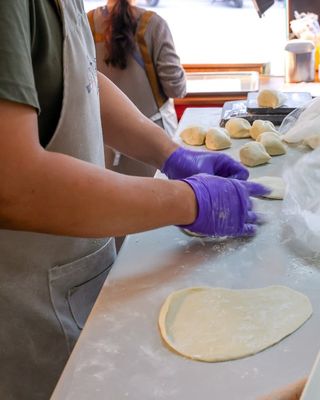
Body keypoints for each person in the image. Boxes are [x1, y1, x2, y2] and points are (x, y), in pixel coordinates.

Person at [0, 1, 266, 399]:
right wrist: (186, 200)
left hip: (76, 283)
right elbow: (14, 184)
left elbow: (81, 78)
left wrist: (170, 153)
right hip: (25, 314)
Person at [88, 0, 186, 177]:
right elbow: (175, 89)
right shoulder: (154, 24)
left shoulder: (86, 23)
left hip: (102, 145)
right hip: (153, 144)